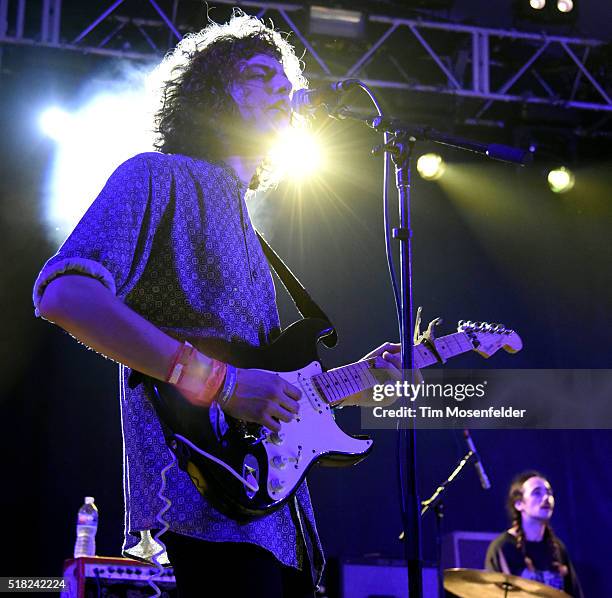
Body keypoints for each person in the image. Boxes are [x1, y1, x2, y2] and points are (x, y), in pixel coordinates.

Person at [33, 12, 401, 598]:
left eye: (285, 78)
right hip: (199, 510)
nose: (282, 88)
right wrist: (222, 383)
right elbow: (64, 293)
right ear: (208, 95)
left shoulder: (250, 232)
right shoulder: (155, 177)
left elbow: (266, 380)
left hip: (282, 528)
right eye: (259, 75)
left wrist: (356, 384)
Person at [485, 471, 584, 597]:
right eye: (537, 493)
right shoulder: (502, 548)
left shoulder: (557, 548)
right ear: (519, 504)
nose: (546, 498)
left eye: (549, 493)